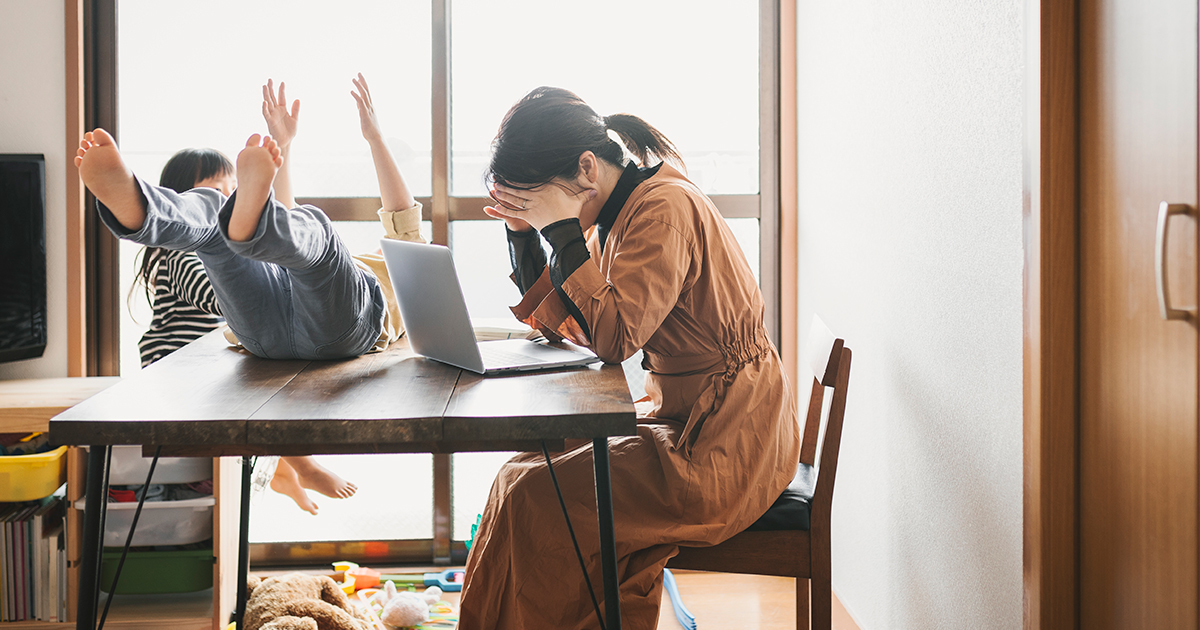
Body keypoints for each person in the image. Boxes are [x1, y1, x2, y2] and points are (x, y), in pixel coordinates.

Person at [458, 87, 801, 629]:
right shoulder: (620, 214)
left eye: (535, 198)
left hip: (726, 440)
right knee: (516, 475)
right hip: (686, 417)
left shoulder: (662, 211)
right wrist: (524, 234)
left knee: (535, 498)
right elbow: (576, 319)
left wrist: (560, 229)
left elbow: (615, 339)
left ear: (586, 168)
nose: (539, 212)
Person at [80, 75, 421, 513]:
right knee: (280, 230)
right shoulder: (395, 266)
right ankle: (144, 204)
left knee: (309, 237)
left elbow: (386, 216)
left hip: (271, 339)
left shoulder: (386, 262)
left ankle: (145, 213)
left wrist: (373, 138)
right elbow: (314, 222)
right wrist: (286, 150)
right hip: (282, 335)